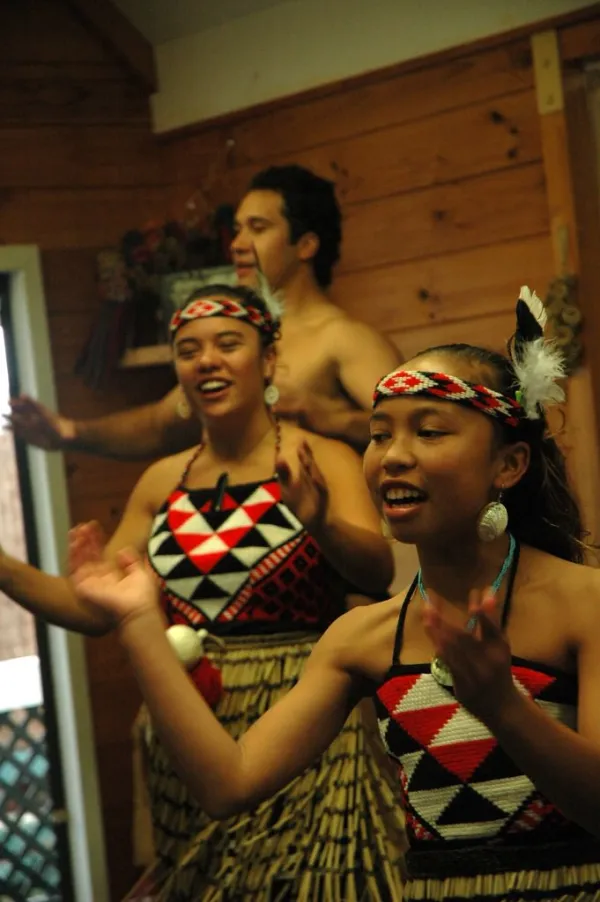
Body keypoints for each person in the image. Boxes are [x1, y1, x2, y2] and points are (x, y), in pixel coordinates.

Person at [74, 288, 600, 901]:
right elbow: (228, 784)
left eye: (429, 431)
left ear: (508, 466)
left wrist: (504, 708)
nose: (393, 457)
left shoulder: (584, 604)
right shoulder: (363, 639)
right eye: (379, 435)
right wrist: (138, 620)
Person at [1, 283, 406, 900]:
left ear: (268, 360)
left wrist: (318, 518)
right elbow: (90, 608)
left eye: (227, 344)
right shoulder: (163, 480)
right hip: (187, 725)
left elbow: (375, 572)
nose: (206, 360)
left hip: (301, 722)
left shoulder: (319, 457)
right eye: (188, 349)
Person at [8, 165, 401, 457]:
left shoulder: (344, 338)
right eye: (239, 228)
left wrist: (332, 416)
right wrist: (70, 431)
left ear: (306, 245)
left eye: (258, 228)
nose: (238, 243)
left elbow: (412, 429)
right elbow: (161, 426)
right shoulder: (232, 340)